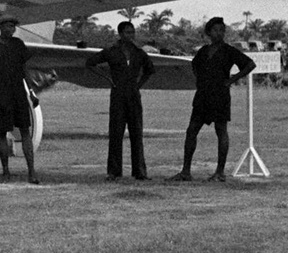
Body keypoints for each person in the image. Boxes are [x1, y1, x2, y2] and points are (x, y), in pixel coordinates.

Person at [172, 17, 256, 182]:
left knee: (221, 131)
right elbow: (194, 66)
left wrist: (232, 80)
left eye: (222, 30)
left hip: (220, 95)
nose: (219, 33)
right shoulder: (203, 51)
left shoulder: (229, 51)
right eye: (215, 30)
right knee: (191, 130)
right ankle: (186, 171)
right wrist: (201, 80)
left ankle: (220, 171)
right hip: (203, 95)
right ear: (208, 32)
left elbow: (250, 64)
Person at [85, 20, 155, 180]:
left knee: (137, 133)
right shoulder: (111, 51)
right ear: (120, 34)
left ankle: (140, 172)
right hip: (118, 96)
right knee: (116, 133)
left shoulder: (139, 52)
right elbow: (90, 63)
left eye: (132, 32)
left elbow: (150, 70)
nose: (130, 35)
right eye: (127, 32)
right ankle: (114, 172)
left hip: (133, 96)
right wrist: (108, 79)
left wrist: (138, 85)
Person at [0, 16, 38, 183]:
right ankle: (5, 170)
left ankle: (31, 172)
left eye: (13, 26)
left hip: (19, 94)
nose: (11, 29)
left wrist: (31, 91)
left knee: (25, 130)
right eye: (8, 26)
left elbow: (24, 69)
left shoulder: (18, 44)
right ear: (0, 27)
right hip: (3, 95)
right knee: (2, 132)